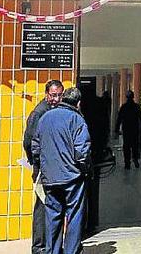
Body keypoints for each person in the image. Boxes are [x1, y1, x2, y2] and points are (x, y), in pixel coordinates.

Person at [31, 87, 91, 254]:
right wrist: (84, 170)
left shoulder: (45, 117)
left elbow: (35, 147)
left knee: (53, 217)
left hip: (50, 178)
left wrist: (43, 166)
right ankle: (71, 251)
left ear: (63, 98)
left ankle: (53, 251)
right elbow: (82, 152)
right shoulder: (77, 120)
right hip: (72, 178)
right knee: (74, 217)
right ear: (78, 103)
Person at [22, 80, 64, 254]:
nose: (56, 99)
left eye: (59, 95)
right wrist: (36, 162)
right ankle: (39, 246)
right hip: (42, 168)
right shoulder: (39, 113)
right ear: (46, 94)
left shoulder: (53, 110)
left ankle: (50, 245)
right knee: (42, 206)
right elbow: (28, 141)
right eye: (53, 95)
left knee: (51, 206)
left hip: (52, 166)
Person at [115, 91, 141, 169]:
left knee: (126, 146)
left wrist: (116, 129)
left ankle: (127, 163)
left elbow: (119, 119)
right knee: (135, 145)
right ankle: (135, 159)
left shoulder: (124, 107)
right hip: (134, 129)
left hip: (127, 129)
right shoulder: (136, 107)